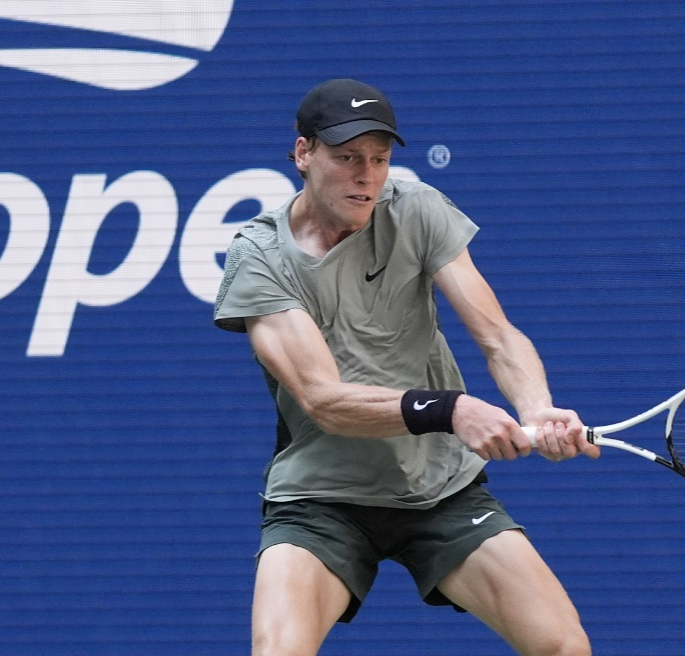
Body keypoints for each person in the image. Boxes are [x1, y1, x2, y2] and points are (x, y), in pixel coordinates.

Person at [213, 78, 600, 656]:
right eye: (347, 158)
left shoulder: (417, 210)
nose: (366, 175)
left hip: (440, 489)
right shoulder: (260, 257)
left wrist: (536, 407)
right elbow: (323, 399)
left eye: (379, 158)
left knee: (563, 646)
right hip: (322, 498)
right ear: (303, 153)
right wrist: (452, 408)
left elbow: (496, 336)